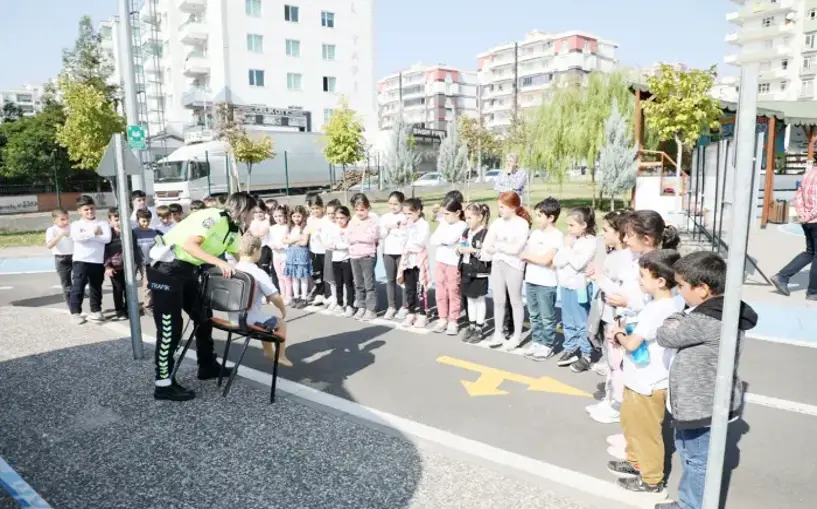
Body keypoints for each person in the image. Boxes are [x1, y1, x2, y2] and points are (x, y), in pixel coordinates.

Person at [656, 251, 757, 509]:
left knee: (697, 461)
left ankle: (692, 506)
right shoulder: (724, 310)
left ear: (702, 289)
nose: (678, 292)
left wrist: (676, 316)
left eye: (681, 286)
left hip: (700, 405)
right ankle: (688, 502)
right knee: (693, 456)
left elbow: (665, 335)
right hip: (703, 400)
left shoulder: (705, 319)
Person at [147, 191, 256, 402]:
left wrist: (258, 279)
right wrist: (219, 262)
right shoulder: (214, 217)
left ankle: (207, 365)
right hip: (166, 269)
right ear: (243, 210)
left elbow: (241, 258)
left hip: (187, 271)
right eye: (252, 212)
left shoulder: (234, 230)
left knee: (203, 316)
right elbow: (190, 245)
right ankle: (163, 384)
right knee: (171, 328)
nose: (253, 217)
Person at [607, 249, 684, 498]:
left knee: (646, 433)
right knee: (631, 424)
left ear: (660, 281)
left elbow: (631, 344)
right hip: (640, 377)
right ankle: (635, 462)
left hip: (648, 381)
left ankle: (651, 480)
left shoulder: (658, 309)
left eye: (643, 275)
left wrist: (617, 333)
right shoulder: (666, 303)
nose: (639, 280)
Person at [585, 210, 632, 427]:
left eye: (606, 230)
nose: (603, 234)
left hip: (618, 317)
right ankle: (610, 397)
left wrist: (599, 278)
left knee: (618, 363)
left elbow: (619, 292)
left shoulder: (628, 259)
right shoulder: (613, 255)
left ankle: (617, 403)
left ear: (620, 233)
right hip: (607, 314)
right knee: (611, 360)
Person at [232, 233, 291, 366]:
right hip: (249, 320)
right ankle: (280, 355)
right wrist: (282, 309)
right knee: (280, 323)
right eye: (260, 250)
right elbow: (275, 297)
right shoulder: (257, 272)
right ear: (255, 250)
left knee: (265, 318)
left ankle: (268, 351)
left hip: (233, 318)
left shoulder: (234, 268)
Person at [483, 191, 531, 350]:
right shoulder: (497, 223)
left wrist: (499, 246)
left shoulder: (522, 224)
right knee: (498, 300)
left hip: (514, 265)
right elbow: (487, 245)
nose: (500, 210)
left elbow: (517, 248)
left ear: (513, 207)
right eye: (499, 207)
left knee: (515, 301)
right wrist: (502, 248)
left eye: (503, 207)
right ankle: (498, 333)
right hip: (498, 264)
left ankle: (516, 336)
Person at [553, 207, 598, 372]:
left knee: (581, 321)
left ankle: (586, 353)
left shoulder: (590, 241)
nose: (569, 229)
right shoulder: (571, 240)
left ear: (584, 225)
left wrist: (568, 249)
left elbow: (578, 263)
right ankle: (570, 348)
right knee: (568, 320)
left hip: (579, 287)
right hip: (565, 285)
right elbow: (557, 260)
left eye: (572, 225)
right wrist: (567, 249)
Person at [520, 198, 563, 360]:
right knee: (534, 314)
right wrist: (535, 258)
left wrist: (531, 257)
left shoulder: (557, 236)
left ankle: (547, 344)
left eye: (539, 216)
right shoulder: (536, 234)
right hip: (531, 279)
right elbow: (524, 255)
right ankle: (537, 341)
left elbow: (546, 260)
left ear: (551, 218)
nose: (536, 219)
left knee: (547, 316)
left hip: (546, 282)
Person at [772, 162, 817, 300]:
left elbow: (798, 196)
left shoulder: (810, 172)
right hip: (814, 219)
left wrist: (803, 214)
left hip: (807, 221)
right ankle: (813, 291)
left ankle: (782, 276)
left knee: (810, 253)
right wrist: (809, 215)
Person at [69, 195, 112, 324]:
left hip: (97, 261)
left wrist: (87, 236)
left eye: (92, 208)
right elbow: (77, 238)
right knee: (78, 287)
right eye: (86, 209)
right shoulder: (76, 224)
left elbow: (107, 239)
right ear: (80, 211)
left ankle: (96, 311)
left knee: (96, 287)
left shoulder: (102, 223)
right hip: (81, 260)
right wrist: (94, 233)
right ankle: (76, 313)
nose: (90, 211)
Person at [430, 197, 467, 335]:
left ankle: (453, 320)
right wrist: (442, 240)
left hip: (453, 263)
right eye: (443, 214)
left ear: (457, 212)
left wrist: (443, 240)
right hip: (440, 261)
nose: (444, 217)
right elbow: (433, 240)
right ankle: (442, 318)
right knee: (440, 291)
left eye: (447, 214)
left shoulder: (462, 225)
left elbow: (450, 239)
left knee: (453, 292)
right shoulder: (443, 223)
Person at [457, 203, 491, 343]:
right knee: (470, 299)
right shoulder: (466, 232)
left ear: (480, 217)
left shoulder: (485, 234)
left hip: (479, 272)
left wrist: (474, 251)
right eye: (466, 218)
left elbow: (487, 255)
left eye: (470, 218)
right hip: (466, 269)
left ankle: (479, 328)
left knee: (480, 300)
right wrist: (459, 249)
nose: (467, 221)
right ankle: (471, 325)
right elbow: (462, 245)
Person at [397, 198, 431, 328]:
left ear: (418, 211)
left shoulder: (424, 224)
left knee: (421, 287)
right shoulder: (407, 225)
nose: (407, 217)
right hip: (408, 260)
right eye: (405, 214)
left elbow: (421, 241)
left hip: (419, 259)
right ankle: (411, 312)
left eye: (410, 214)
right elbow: (402, 241)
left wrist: (410, 230)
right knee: (409, 288)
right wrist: (404, 231)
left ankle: (423, 313)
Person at [104, 208, 142, 321]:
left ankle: (129, 308)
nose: (119, 222)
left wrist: (137, 264)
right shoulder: (108, 234)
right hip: (115, 266)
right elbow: (104, 251)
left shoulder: (131, 232)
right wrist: (107, 266)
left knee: (129, 288)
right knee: (118, 288)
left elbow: (135, 249)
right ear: (110, 220)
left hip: (129, 266)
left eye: (121, 219)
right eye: (116, 219)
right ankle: (119, 310)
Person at [347, 194, 379, 321]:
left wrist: (357, 237)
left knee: (369, 284)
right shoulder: (352, 221)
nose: (359, 213)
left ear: (367, 208)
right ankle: (361, 306)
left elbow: (371, 238)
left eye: (362, 210)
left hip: (367, 255)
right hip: (354, 255)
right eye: (357, 210)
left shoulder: (372, 221)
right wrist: (357, 237)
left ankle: (371, 309)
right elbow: (348, 237)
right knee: (358, 283)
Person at [380, 191, 408, 320]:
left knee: (403, 280)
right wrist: (390, 228)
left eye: (396, 204)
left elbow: (405, 234)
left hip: (402, 252)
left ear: (402, 203)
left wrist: (395, 229)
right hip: (388, 252)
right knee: (390, 280)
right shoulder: (385, 217)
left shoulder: (405, 216)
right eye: (390, 204)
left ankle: (405, 306)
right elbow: (381, 233)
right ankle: (391, 306)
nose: (393, 206)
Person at [326, 205, 355, 317]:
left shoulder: (350, 229)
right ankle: (339, 303)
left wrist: (337, 246)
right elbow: (329, 241)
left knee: (348, 283)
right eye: (337, 218)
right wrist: (330, 245)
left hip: (347, 258)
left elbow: (350, 244)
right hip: (335, 259)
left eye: (342, 218)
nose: (339, 220)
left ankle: (350, 305)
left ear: (347, 217)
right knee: (338, 283)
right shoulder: (333, 228)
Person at [282, 205, 312, 308]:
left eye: (298, 216)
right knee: (294, 277)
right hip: (291, 254)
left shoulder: (305, 227)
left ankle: (304, 298)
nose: (296, 218)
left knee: (302, 277)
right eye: (294, 216)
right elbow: (284, 240)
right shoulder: (289, 227)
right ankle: (296, 297)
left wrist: (292, 240)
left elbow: (304, 243)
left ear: (303, 216)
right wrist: (296, 239)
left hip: (301, 254)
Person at [46, 208, 74, 309]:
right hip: (61, 259)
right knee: (67, 285)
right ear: (54, 220)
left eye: (67, 219)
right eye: (62, 219)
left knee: (82, 279)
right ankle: (72, 308)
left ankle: (78, 294)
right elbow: (49, 245)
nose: (66, 221)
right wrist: (60, 235)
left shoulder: (72, 227)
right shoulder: (51, 230)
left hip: (75, 256)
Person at [134, 208, 161, 312]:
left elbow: (160, 245)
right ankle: (131, 305)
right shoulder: (133, 232)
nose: (146, 223)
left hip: (148, 263)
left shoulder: (154, 232)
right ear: (138, 220)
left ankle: (147, 306)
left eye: (148, 221)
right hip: (135, 262)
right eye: (143, 221)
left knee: (147, 284)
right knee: (130, 284)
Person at [306, 195, 330, 305]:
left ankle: (327, 294)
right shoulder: (310, 219)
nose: (315, 211)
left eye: (317, 208)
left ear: (322, 207)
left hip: (324, 250)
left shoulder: (326, 219)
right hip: (313, 249)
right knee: (315, 273)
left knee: (326, 273)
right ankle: (319, 292)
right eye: (313, 208)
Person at [268, 205, 292, 305]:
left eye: (280, 216)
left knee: (286, 276)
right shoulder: (272, 228)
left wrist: (282, 246)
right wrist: (272, 245)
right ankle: (282, 294)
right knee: (279, 276)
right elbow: (268, 240)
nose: (278, 218)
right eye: (276, 216)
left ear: (285, 216)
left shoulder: (287, 227)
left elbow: (289, 240)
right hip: (276, 255)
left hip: (285, 255)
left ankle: (289, 296)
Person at [322, 199, 342, 311]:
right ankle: (334, 298)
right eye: (328, 213)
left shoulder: (341, 224)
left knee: (340, 279)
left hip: (341, 253)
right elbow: (323, 237)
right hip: (330, 252)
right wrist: (327, 243)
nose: (330, 216)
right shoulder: (326, 224)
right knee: (331, 278)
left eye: (333, 213)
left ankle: (341, 300)